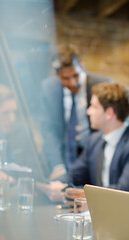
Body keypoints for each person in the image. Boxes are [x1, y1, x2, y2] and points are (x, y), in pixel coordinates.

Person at [39, 82, 129, 202]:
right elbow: (75, 175)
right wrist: (49, 184)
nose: (88, 111)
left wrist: (70, 191)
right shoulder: (95, 139)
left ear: (109, 113)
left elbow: (124, 191)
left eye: (94, 107)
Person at [41, 44, 113, 180]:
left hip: (94, 153)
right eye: (66, 78)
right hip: (64, 154)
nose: (73, 83)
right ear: (56, 75)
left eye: (75, 75)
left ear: (82, 66)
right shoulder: (48, 88)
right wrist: (57, 165)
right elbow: (49, 130)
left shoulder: (103, 85)